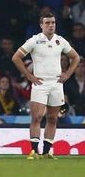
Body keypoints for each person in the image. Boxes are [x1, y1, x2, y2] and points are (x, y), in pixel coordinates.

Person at [12, 11, 80, 159]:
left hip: (56, 83)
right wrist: (29, 75)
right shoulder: (34, 40)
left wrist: (67, 74)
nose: (51, 25)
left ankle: (46, 151)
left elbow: (75, 57)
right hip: (40, 83)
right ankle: (34, 151)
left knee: (53, 118)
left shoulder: (60, 41)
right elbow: (16, 57)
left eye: (53, 23)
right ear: (41, 25)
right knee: (36, 117)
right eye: (47, 23)